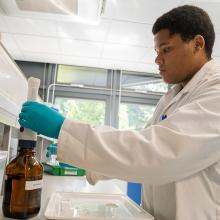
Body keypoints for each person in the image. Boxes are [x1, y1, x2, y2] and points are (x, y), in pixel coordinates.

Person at [18, 5, 220, 220]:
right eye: (156, 52)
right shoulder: (171, 98)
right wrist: (83, 159)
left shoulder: (215, 93)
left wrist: (64, 129)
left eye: (166, 49)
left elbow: (156, 153)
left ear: (198, 44)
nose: (157, 60)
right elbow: (134, 148)